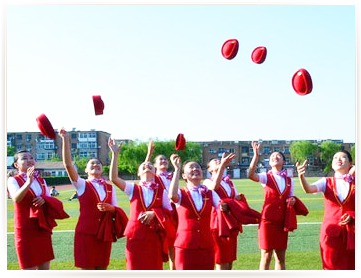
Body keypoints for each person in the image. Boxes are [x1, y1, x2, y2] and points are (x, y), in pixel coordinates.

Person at [59, 128, 127, 270]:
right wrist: (65, 140)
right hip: (86, 233)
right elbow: (68, 165)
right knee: (87, 268)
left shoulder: (110, 187)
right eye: (92, 163)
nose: (96, 165)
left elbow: (116, 209)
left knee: (102, 268)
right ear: (86, 170)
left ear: (102, 169)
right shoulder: (81, 184)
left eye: (99, 164)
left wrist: (112, 208)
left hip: (104, 234)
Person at [108, 138, 174, 270]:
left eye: (150, 166)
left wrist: (155, 213)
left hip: (154, 238)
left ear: (155, 172)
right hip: (135, 237)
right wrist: (115, 155)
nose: (147, 166)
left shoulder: (162, 192)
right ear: (138, 173)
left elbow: (170, 214)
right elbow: (114, 178)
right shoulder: (133, 188)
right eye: (143, 166)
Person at [7, 150, 68, 270]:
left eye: (31, 157)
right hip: (24, 228)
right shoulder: (13, 180)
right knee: (28, 267)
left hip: (42, 227)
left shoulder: (41, 180)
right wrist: (28, 182)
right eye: (24, 158)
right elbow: (16, 198)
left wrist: (44, 199)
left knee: (44, 268)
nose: (29, 160)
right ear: (16, 165)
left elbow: (49, 199)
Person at [296, 151, 355, 270]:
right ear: (332, 164)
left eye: (343, 157)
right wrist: (301, 176)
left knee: (349, 268)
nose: (339, 159)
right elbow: (309, 189)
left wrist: (353, 215)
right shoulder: (326, 181)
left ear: (350, 163)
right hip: (330, 233)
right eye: (335, 157)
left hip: (352, 235)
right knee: (330, 268)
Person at [168, 155, 228, 270]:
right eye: (191, 167)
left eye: (198, 167)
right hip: (185, 245)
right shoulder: (181, 193)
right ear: (184, 176)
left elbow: (220, 205)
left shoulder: (210, 193)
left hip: (206, 244)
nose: (195, 169)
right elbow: (172, 196)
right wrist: (176, 169)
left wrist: (223, 207)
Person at [248, 142, 296, 270]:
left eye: (278, 156)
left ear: (283, 161)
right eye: (272, 156)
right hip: (267, 221)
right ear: (269, 163)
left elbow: (291, 196)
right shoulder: (266, 177)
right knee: (266, 255)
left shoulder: (290, 180)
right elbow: (251, 175)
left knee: (281, 257)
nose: (275, 157)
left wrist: (292, 200)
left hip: (282, 222)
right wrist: (255, 156)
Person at [203, 153, 240, 270]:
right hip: (218, 224)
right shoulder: (207, 182)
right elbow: (214, 187)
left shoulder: (229, 182)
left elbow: (237, 198)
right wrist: (222, 166)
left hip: (231, 222)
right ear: (209, 169)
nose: (218, 161)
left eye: (219, 160)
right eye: (215, 161)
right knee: (221, 259)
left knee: (230, 259)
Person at [144, 140, 177, 270]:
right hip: (159, 215)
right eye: (160, 160)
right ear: (155, 165)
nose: (163, 161)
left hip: (173, 213)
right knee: (158, 245)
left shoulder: (172, 176)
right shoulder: (152, 177)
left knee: (173, 246)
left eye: (165, 160)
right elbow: (145, 167)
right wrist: (149, 154)